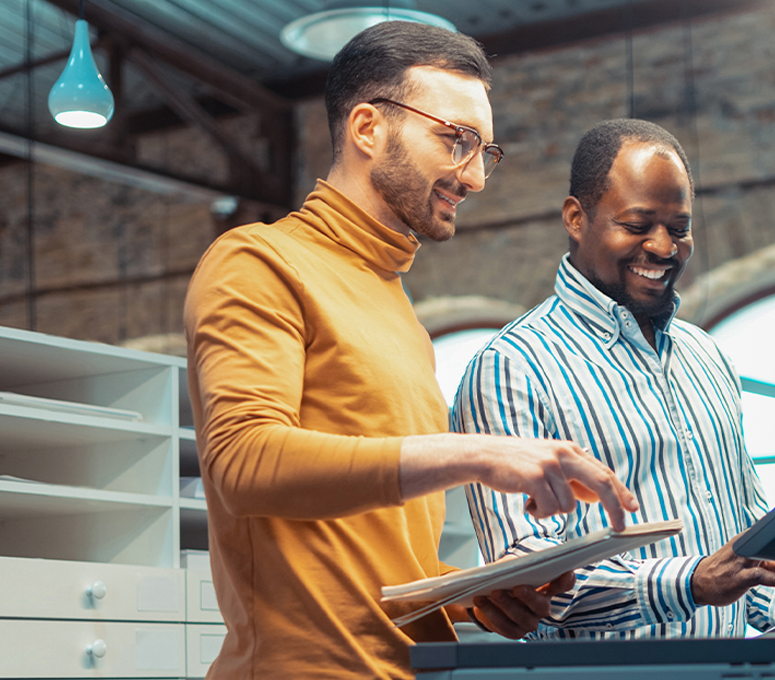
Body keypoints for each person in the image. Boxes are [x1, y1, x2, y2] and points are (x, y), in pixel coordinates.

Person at [183, 23, 638, 679]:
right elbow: (242, 463)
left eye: (486, 151)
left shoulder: (397, 312)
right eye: (456, 141)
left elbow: (366, 555)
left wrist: (466, 596)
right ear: (368, 128)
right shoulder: (256, 262)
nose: (476, 177)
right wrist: (477, 453)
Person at [452, 119, 775, 639]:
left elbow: (746, 549)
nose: (662, 247)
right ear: (575, 217)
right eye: (637, 225)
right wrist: (690, 583)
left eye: (679, 229)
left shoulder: (706, 357)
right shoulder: (511, 369)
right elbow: (527, 588)